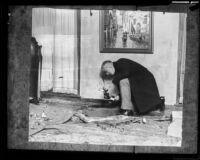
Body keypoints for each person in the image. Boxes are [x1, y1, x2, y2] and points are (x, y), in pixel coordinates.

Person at [100, 58, 165, 116]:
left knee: (123, 81)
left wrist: (112, 84)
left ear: (110, 64)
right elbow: (124, 90)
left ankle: (126, 110)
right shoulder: (118, 75)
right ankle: (158, 102)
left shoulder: (121, 62)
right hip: (138, 81)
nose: (108, 73)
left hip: (145, 79)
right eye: (106, 72)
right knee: (123, 82)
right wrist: (118, 96)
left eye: (107, 70)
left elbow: (126, 73)